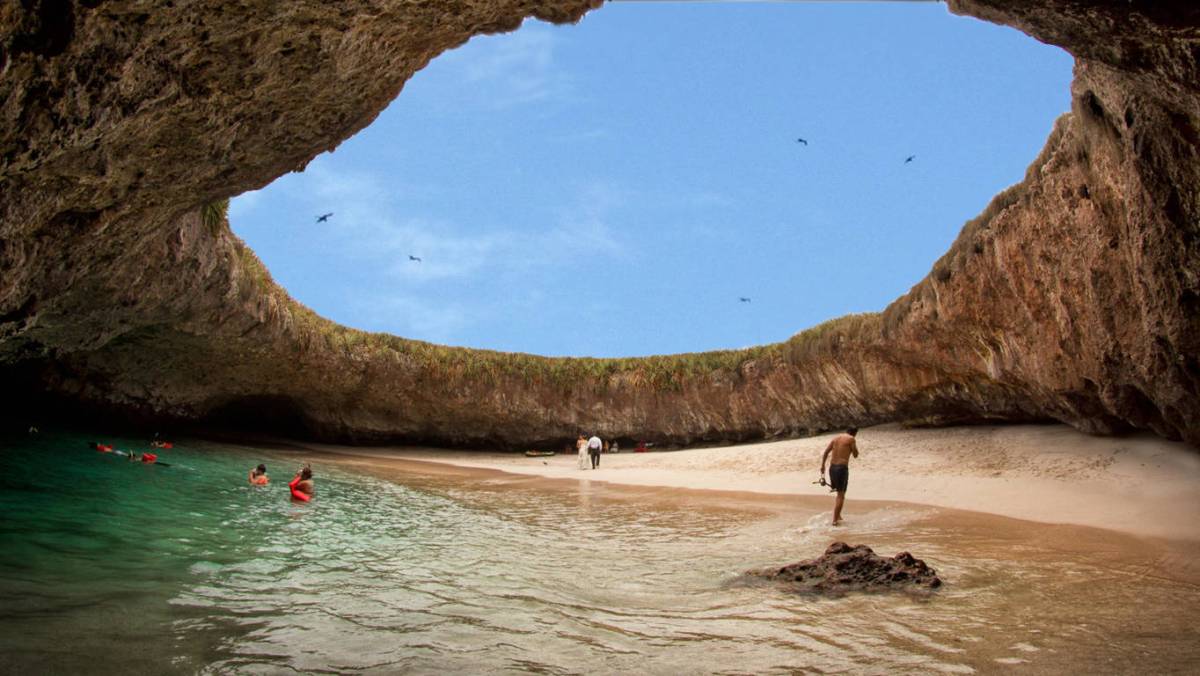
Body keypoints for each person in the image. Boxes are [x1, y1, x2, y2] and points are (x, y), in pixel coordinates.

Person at [820, 427, 860, 526]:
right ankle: (835, 520)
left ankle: (838, 515)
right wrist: (854, 449)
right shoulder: (851, 439)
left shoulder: (836, 438)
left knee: (838, 492)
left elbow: (826, 452)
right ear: (855, 433)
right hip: (841, 469)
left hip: (832, 468)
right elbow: (855, 454)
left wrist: (822, 466)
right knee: (841, 495)